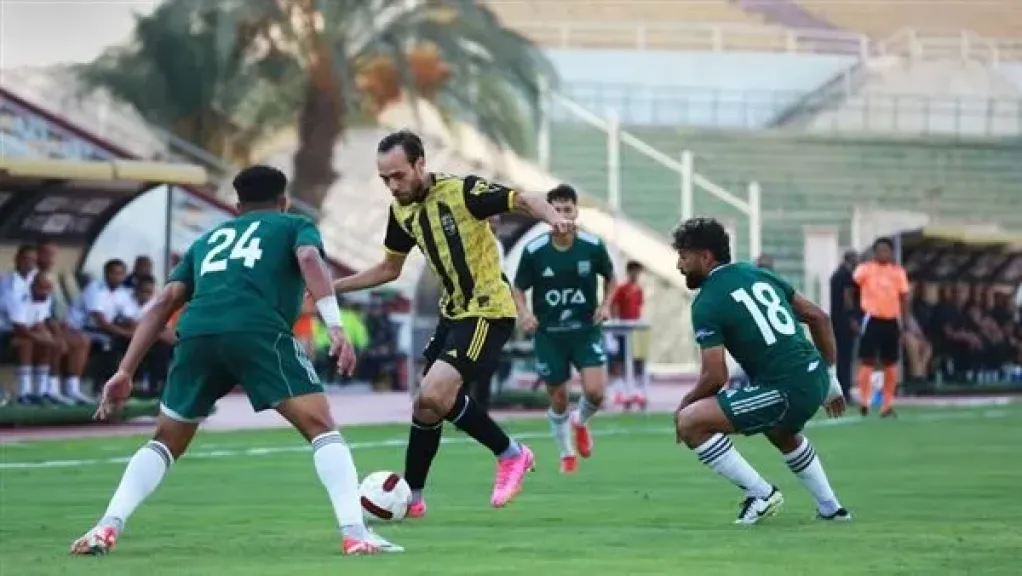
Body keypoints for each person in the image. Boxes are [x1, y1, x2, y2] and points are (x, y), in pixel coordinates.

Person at [71, 165, 401, 557]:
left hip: (196, 336)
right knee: (321, 427)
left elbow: (163, 300)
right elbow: (310, 258)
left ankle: (106, 526)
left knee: (165, 442)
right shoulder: (294, 225)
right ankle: (355, 534)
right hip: (257, 331)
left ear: (237, 206)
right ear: (284, 201)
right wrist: (336, 327)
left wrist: (124, 370)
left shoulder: (207, 239)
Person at [333, 129, 572, 517]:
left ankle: (512, 454)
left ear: (420, 164)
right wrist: (332, 287)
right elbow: (389, 268)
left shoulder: (463, 192)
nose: (393, 186)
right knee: (426, 407)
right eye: (385, 179)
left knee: (433, 394)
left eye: (398, 175)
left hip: (488, 311)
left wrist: (553, 217)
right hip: (453, 313)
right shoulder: (401, 212)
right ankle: (413, 498)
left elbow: (523, 198)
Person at [671, 218, 849, 525]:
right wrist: (830, 378)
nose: (679, 265)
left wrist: (685, 406)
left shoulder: (708, 301)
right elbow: (819, 317)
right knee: (780, 430)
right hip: (813, 376)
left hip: (786, 388)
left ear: (705, 256)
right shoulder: (757, 273)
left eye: (684, 256)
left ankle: (761, 493)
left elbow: (715, 377)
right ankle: (831, 508)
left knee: (691, 423)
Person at [512, 184, 617, 474]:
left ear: (576, 211)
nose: (562, 215)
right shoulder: (534, 251)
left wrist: (606, 304)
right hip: (549, 335)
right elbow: (518, 287)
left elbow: (611, 277)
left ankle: (580, 422)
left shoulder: (592, 246)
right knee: (558, 399)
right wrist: (525, 314)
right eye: (556, 210)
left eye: (567, 209)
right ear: (547, 214)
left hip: (585, 331)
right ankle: (566, 454)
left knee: (596, 393)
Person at [853, 237, 909, 417]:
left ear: (891, 253)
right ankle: (864, 400)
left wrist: (905, 321)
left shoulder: (898, 272)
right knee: (867, 360)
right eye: (879, 250)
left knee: (890, 363)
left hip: (891, 319)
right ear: (874, 252)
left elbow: (904, 297)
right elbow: (852, 288)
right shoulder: (865, 270)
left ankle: (887, 404)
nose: (883, 254)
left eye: (886, 250)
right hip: (872, 318)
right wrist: (855, 313)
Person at [609, 260, 646, 409]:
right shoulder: (622, 288)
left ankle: (636, 391)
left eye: (638, 272)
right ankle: (621, 391)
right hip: (623, 329)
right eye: (634, 271)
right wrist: (617, 323)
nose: (636, 275)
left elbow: (639, 307)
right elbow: (615, 305)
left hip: (635, 328)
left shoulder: (639, 290)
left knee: (637, 360)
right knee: (620, 359)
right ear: (629, 271)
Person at [829, 249, 859, 399]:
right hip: (845, 323)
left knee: (840, 357)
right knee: (845, 358)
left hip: (837, 321)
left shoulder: (836, 275)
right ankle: (844, 390)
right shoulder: (846, 276)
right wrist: (853, 318)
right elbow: (848, 299)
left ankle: (840, 389)